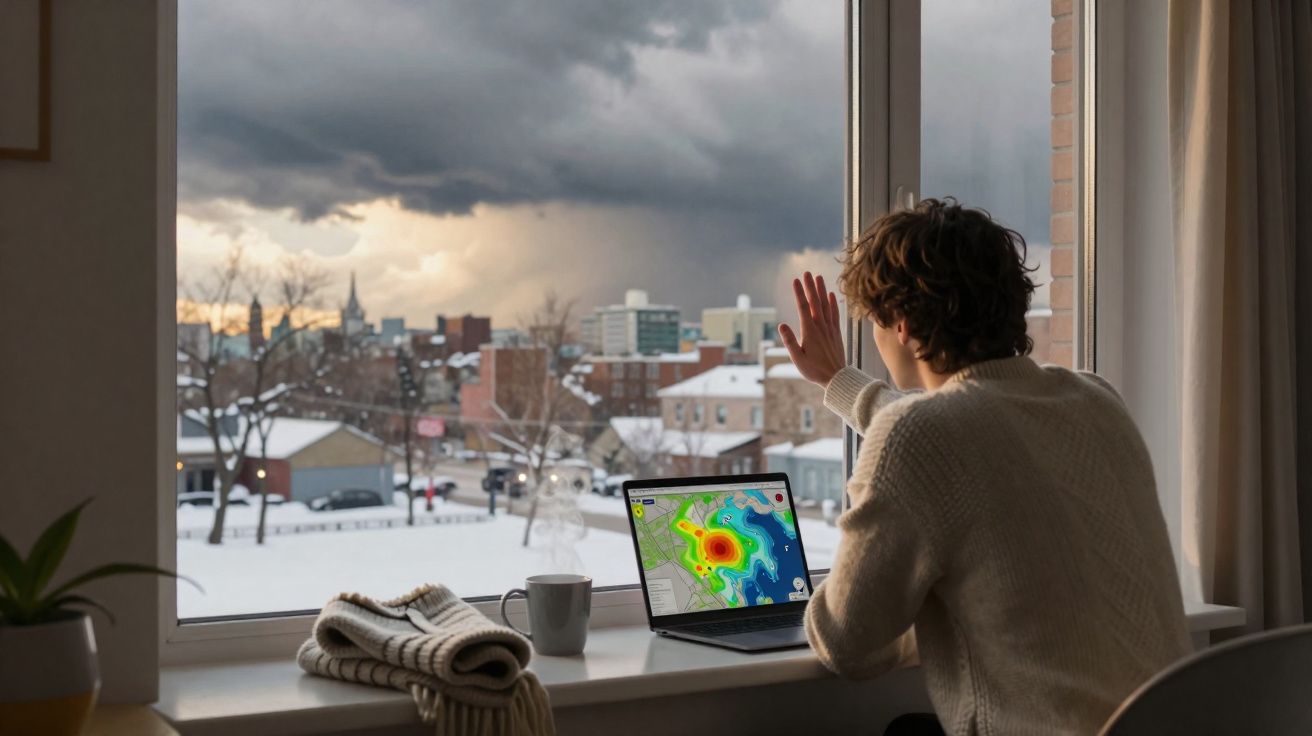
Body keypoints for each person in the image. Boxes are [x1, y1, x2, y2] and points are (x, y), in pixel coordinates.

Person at [778, 199, 1190, 736]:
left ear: (900, 324)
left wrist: (929, 605)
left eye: (875, 322)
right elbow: (977, 436)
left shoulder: (919, 437)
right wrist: (837, 381)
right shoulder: (1095, 400)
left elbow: (847, 646)